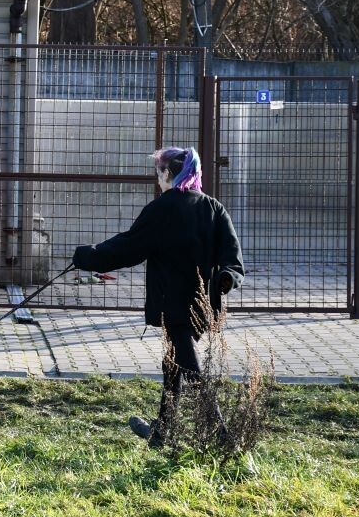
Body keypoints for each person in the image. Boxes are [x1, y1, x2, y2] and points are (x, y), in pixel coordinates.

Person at [71, 146, 244, 447]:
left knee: (190, 370)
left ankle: (221, 435)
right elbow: (233, 258)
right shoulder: (214, 208)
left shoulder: (162, 209)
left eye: (159, 172)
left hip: (171, 303)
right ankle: (163, 431)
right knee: (172, 363)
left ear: (168, 174)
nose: (157, 178)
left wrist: (86, 256)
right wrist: (227, 279)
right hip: (201, 305)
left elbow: (128, 248)